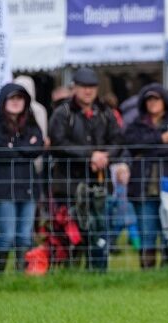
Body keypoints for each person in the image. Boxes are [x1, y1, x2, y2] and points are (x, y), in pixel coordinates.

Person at [48, 67, 124, 271]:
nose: (88, 91)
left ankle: (97, 273)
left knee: (99, 229)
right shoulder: (62, 113)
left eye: (92, 87)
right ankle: (67, 274)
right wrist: (90, 155)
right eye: (83, 87)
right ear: (75, 89)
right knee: (71, 231)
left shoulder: (105, 113)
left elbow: (118, 141)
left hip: (98, 182)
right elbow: (58, 143)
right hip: (69, 184)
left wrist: (105, 156)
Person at [123, 84, 168, 269]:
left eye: (156, 99)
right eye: (148, 99)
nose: (152, 103)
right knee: (147, 233)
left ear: (164, 101)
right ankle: (148, 274)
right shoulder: (136, 124)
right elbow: (131, 144)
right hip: (143, 188)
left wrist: (148, 150)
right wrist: (161, 139)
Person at [0, 83, 45, 273]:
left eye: (20, 98)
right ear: (3, 101)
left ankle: (20, 276)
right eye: (12, 98)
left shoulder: (31, 125)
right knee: (6, 236)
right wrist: (24, 149)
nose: (16, 102)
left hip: (29, 187)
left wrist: (13, 148)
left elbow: (37, 148)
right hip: (4, 189)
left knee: (25, 236)